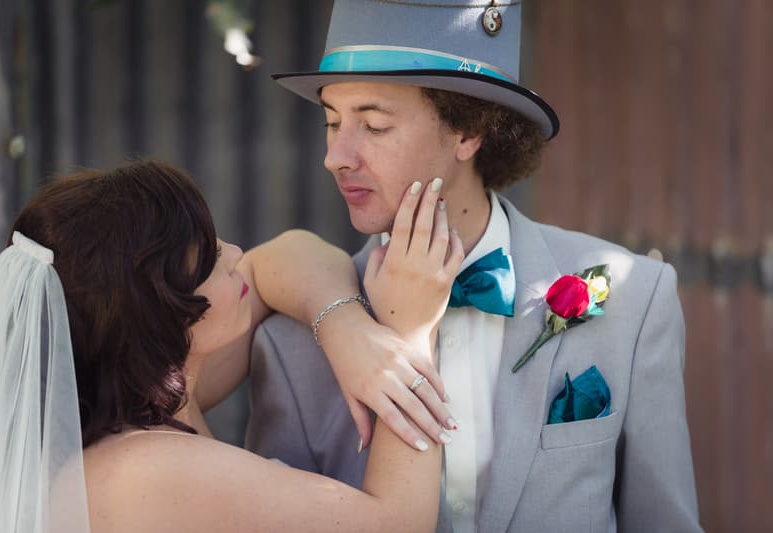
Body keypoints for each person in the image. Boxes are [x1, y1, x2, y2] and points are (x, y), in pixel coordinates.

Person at [245, 1, 702, 532]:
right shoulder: (288, 347)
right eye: (332, 122)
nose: (337, 155)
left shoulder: (635, 302)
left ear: (467, 131)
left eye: (372, 124)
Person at [0, 160, 465, 533]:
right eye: (208, 257)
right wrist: (408, 331)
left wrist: (347, 329)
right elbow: (395, 524)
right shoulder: (147, 471)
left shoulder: (140, 411)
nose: (234, 254)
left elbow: (285, 255)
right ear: (157, 312)